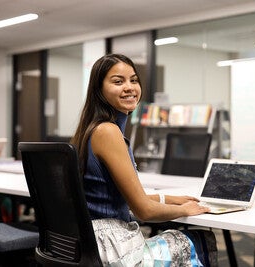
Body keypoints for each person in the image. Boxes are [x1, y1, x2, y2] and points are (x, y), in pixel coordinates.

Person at [71, 53, 217, 266]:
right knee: (200, 239)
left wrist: (169, 199)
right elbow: (143, 211)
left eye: (134, 80)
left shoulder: (90, 130)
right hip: (112, 249)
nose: (129, 87)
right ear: (98, 90)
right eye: (118, 81)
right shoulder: (108, 132)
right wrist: (185, 210)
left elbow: (118, 198)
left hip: (90, 244)